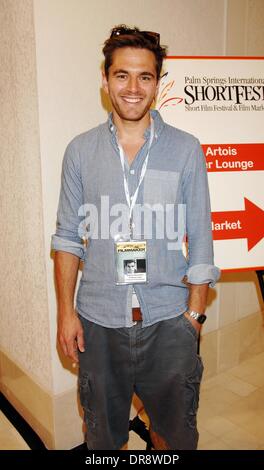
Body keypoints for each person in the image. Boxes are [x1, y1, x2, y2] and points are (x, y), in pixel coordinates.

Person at [52, 25, 220, 450]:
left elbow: (201, 234)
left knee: (173, 436)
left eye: (145, 76)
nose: (132, 87)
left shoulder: (186, 149)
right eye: (122, 75)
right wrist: (65, 314)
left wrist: (194, 317)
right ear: (105, 81)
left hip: (168, 320)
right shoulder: (80, 151)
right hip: (97, 323)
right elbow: (68, 238)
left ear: (158, 84)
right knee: (104, 438)